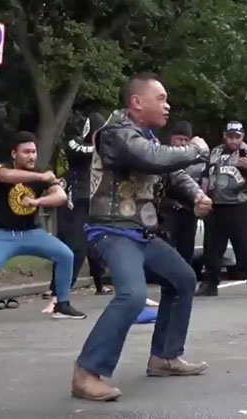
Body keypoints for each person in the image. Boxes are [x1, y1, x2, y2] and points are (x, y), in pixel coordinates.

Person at [72, 73, 213, 402]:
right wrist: (194, 149)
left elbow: (172, 171)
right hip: (112, 230)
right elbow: (154, 158)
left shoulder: (144, 135)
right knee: (133, 295)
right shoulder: (116, 134)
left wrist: (196, 196)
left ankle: (164, 356)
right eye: (161, 98)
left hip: (140, 232)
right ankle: (86, 372)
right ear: (137, 102)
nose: (168, 105)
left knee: (182, 279)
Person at [0, 131, 85, 323]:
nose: (32, 156)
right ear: (14, 154)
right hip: (3, 234)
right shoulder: (5, 167)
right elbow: (4, 176)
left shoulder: (40, 171)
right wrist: (41, 177)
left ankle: (62, 304)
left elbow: (61, 196)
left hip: (31, 232)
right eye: (26, 152)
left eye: (34, 152)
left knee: (66, 255)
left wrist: (38, 201)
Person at [196, 121, 247, 297]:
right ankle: (210, 283)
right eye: (230, 136)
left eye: (237, 137)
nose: (233, 141)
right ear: (224, 135)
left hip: (239, 205)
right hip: (217, 205)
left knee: (245, 247)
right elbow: (205, 176)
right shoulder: (215, 152)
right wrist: (203, 198)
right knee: (212, 247)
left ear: (242, 137)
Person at [50, 113, 111, 298]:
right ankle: (59, 288)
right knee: (73, 244)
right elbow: (87, 152)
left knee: (95, 243)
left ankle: (99, 282)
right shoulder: (75, 143)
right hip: (74, 199)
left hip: (93, 199)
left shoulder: (103, 147)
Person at [159, 121, 205, 265]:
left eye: (186, 140)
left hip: (189, 211)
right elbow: (176, 177)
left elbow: (203, 180)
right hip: (168, 212)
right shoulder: (161, 154)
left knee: (186, 252)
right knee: (167, 251)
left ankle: (183, 286)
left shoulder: (196, 160)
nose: (182, 143)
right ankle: (167, 286)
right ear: (171, 138)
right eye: (179, 139)